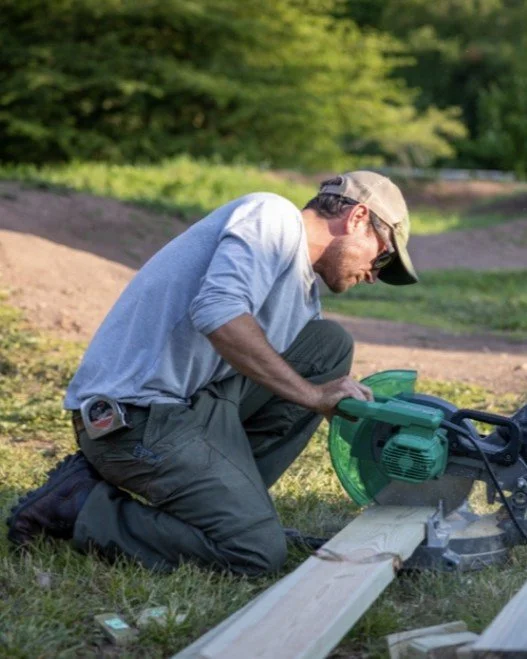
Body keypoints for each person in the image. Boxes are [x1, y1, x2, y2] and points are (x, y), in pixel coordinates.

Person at [7, 171, 418, 575]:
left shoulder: (301, 293)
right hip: (131, 418)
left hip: (186, 407)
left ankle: (230, 505)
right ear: (358, 218)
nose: (375, 273)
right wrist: (311, 396)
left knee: (327, 345)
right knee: (255, 552)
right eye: (381, 255)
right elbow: (219, 313)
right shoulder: (271, 217)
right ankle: (78, 504)